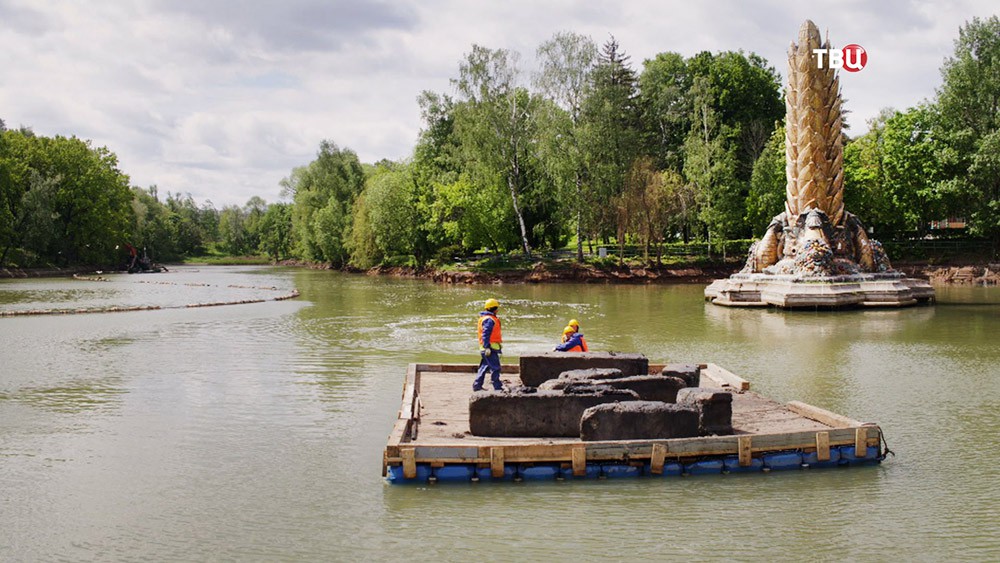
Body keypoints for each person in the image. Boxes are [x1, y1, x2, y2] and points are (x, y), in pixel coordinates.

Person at [474, 298, 504, 391]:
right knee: (495, 367)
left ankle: (477, 386)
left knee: (484, 366)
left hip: (485, 348)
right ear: (495, 309)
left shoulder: (485, 318)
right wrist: (487, 347)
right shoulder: (490, 320)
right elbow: (486, 334)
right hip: (490, 348)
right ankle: (497, 387)